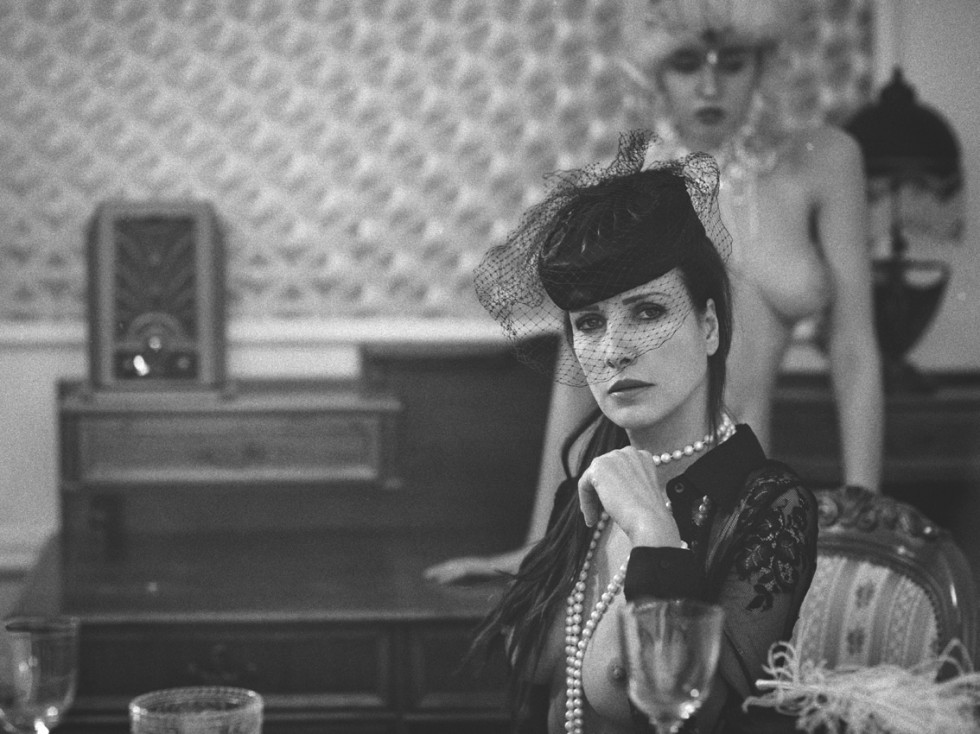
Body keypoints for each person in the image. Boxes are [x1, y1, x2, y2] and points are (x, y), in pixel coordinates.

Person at [424, 0, 881, 585]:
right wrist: (538, 544)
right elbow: (580, 369)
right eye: (687, 64)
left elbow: (854, 352)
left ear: (763, 65)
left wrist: (866, 510)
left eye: (732, 63)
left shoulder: (827, 162)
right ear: (655, 72)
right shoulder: (633, 186)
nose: (710, 87)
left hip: (757, 502)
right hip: (650, 494)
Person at [467, 131, 818, 733]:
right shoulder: (589, 487)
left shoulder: (769, 508)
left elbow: (688, 720)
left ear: (709, 327)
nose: (613, 350)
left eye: (648, 311)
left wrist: (654, 531)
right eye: (589, 322)